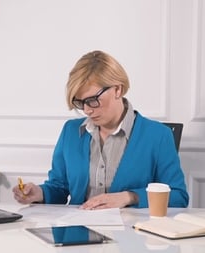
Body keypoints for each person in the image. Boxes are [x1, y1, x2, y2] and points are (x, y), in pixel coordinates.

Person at [12, 50, 188, 211]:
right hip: (77, 235)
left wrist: (129, 197)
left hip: (133, 239)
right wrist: (40, 193)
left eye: (93, 100)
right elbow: (59, 188)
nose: (87, 110)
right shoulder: (71, 132)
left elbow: (178, 196)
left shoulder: (158, 135)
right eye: (80, 103)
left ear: (117, 89)